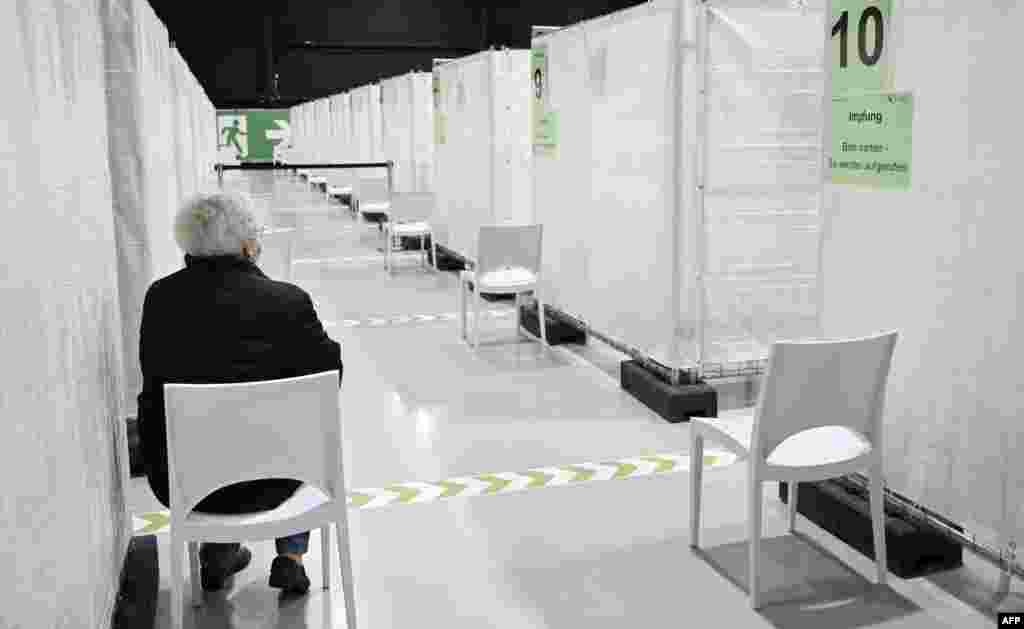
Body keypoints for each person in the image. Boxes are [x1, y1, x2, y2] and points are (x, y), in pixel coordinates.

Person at [136, 191, 343, 595]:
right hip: (279, 480)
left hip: (186, 484)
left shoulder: (160, 300)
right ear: (248, 245)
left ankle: (219, 550)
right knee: (296, 425)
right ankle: (292, 556)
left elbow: (151, 391)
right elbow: (329, 377)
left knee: (215, 436)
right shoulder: (288, 301)